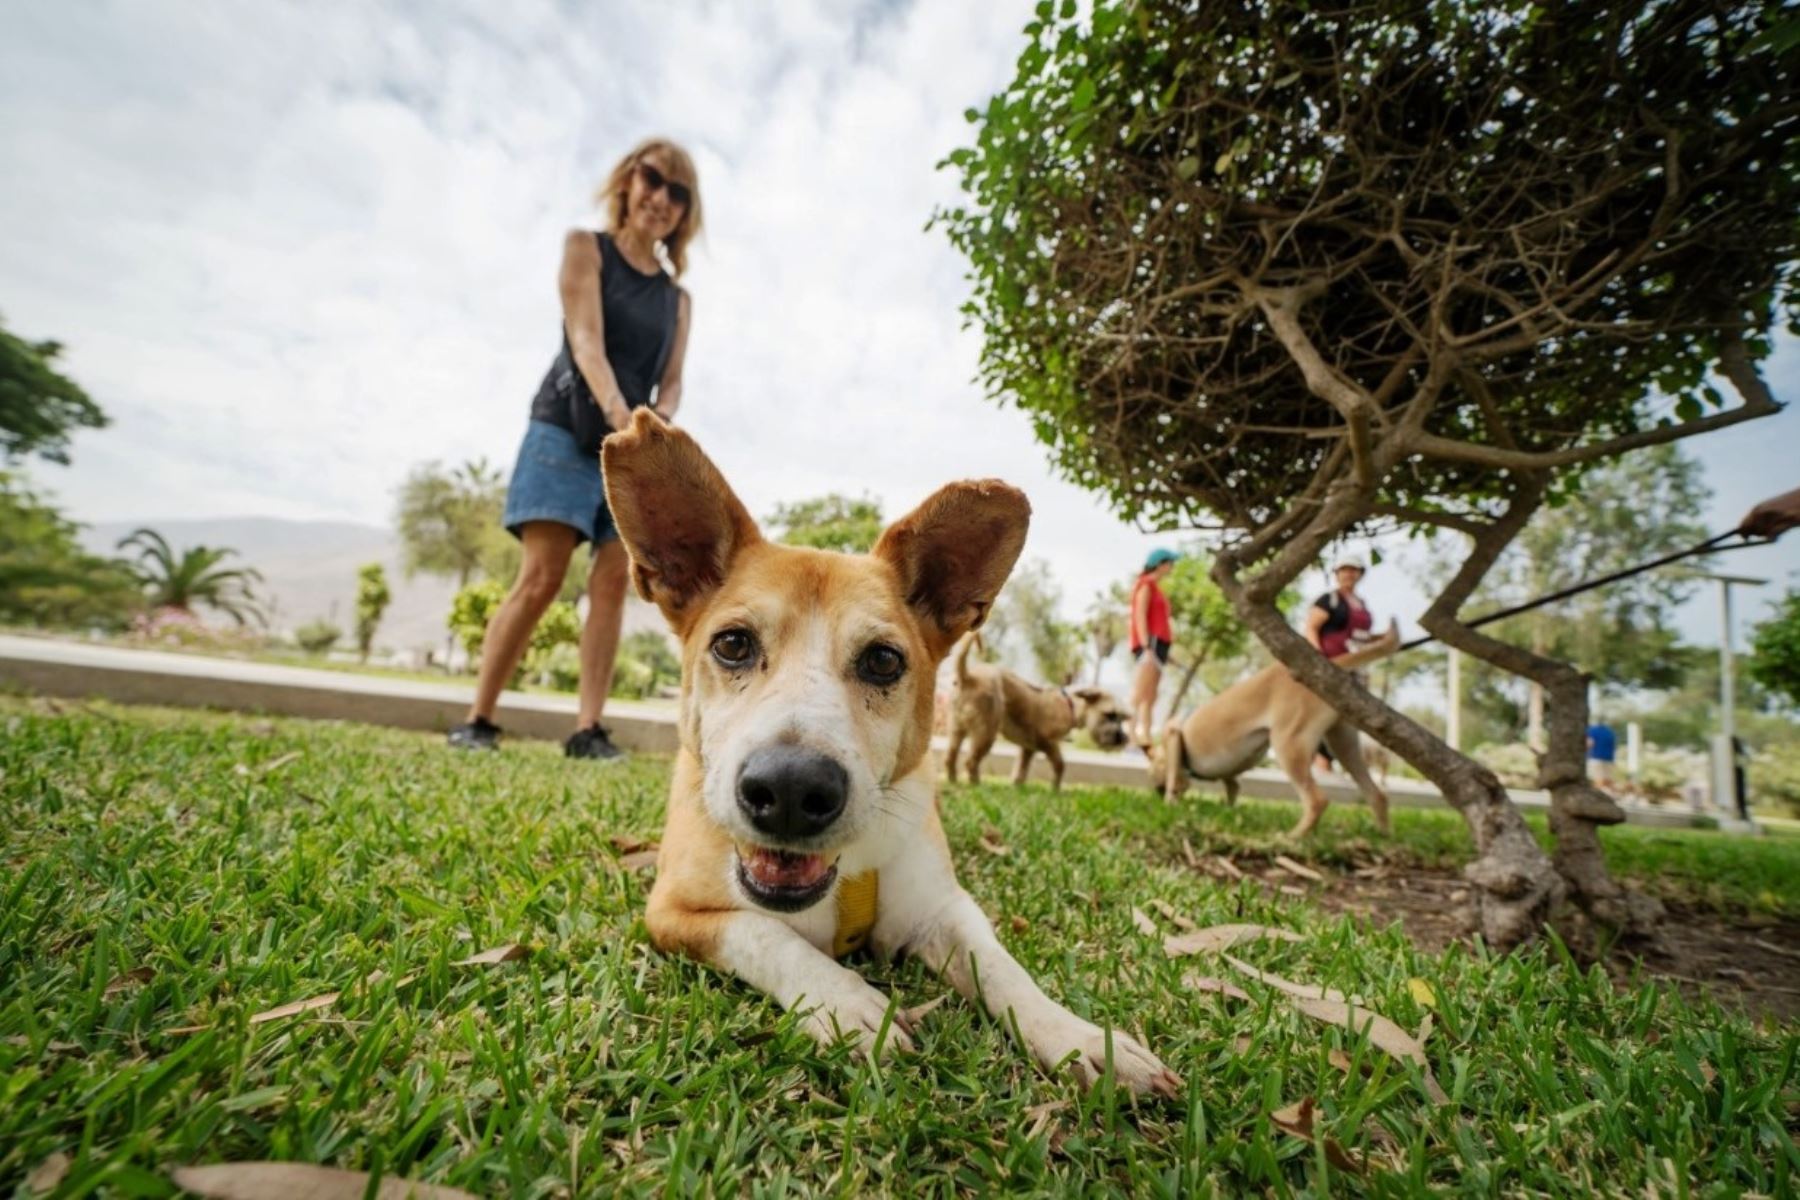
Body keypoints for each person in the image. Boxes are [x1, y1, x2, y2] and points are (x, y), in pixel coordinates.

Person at [448, 138, 701, 759]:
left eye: (679, 193)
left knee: (614, 583)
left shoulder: (678, 300)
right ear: (627, 181)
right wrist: (625, 420)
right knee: (541, 578)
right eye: (653, 180)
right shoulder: (585, 249)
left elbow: (671, 381)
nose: (661, 198)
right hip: (564, 430)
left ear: (685, 213)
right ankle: (479, 719)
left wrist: (656, 431)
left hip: (627, 450)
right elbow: (586, 341)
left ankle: (588, 729)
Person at [1303, 559, 1373, 772]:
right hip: (1332, 663)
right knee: (1324, 711)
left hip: (1356, 666)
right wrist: (1318, 658)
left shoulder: (1361, 603)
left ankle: (1336, 761)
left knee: (1348, 714)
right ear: (1337, 574)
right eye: (1344, 570)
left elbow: (1363, 636)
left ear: (1359, 574)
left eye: (1353, 570)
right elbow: (1311, 627)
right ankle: (1320, 761)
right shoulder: (1329, 600)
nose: (1348, 574)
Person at [1128, 548, 1178, 746]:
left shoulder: (1157, 587)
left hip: (1160, 646)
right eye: (1170, 563)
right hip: (1150, 644)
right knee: (1139, 695)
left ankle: (1145, 739)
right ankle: (1130, 739)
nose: (1172, 567)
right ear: (1160, 564)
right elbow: (1139, 615)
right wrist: (1146, 646)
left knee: (1150, 697)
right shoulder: (1146, 585)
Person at [1585, 721, 1617, 788]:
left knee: (1598, 780)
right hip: (1609, 759)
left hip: (1596, 758)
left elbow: (1590, 743)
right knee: (1608, 780)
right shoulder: (1610, 732)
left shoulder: (1592, 731)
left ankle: (1598, 795)